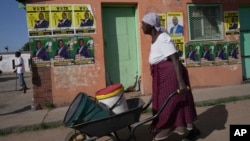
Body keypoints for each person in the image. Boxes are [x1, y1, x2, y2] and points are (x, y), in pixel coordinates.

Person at [141, 12, 199, 141]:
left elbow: (175, 59)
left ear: (150, 26)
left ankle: (164, 132)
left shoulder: (163, 38)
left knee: (169, 105)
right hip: (162, 76)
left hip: (171, 76)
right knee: (175, 103)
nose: (141, 26)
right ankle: (192, 130)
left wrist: (181, 82)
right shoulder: (155, 38)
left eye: (143, 24)